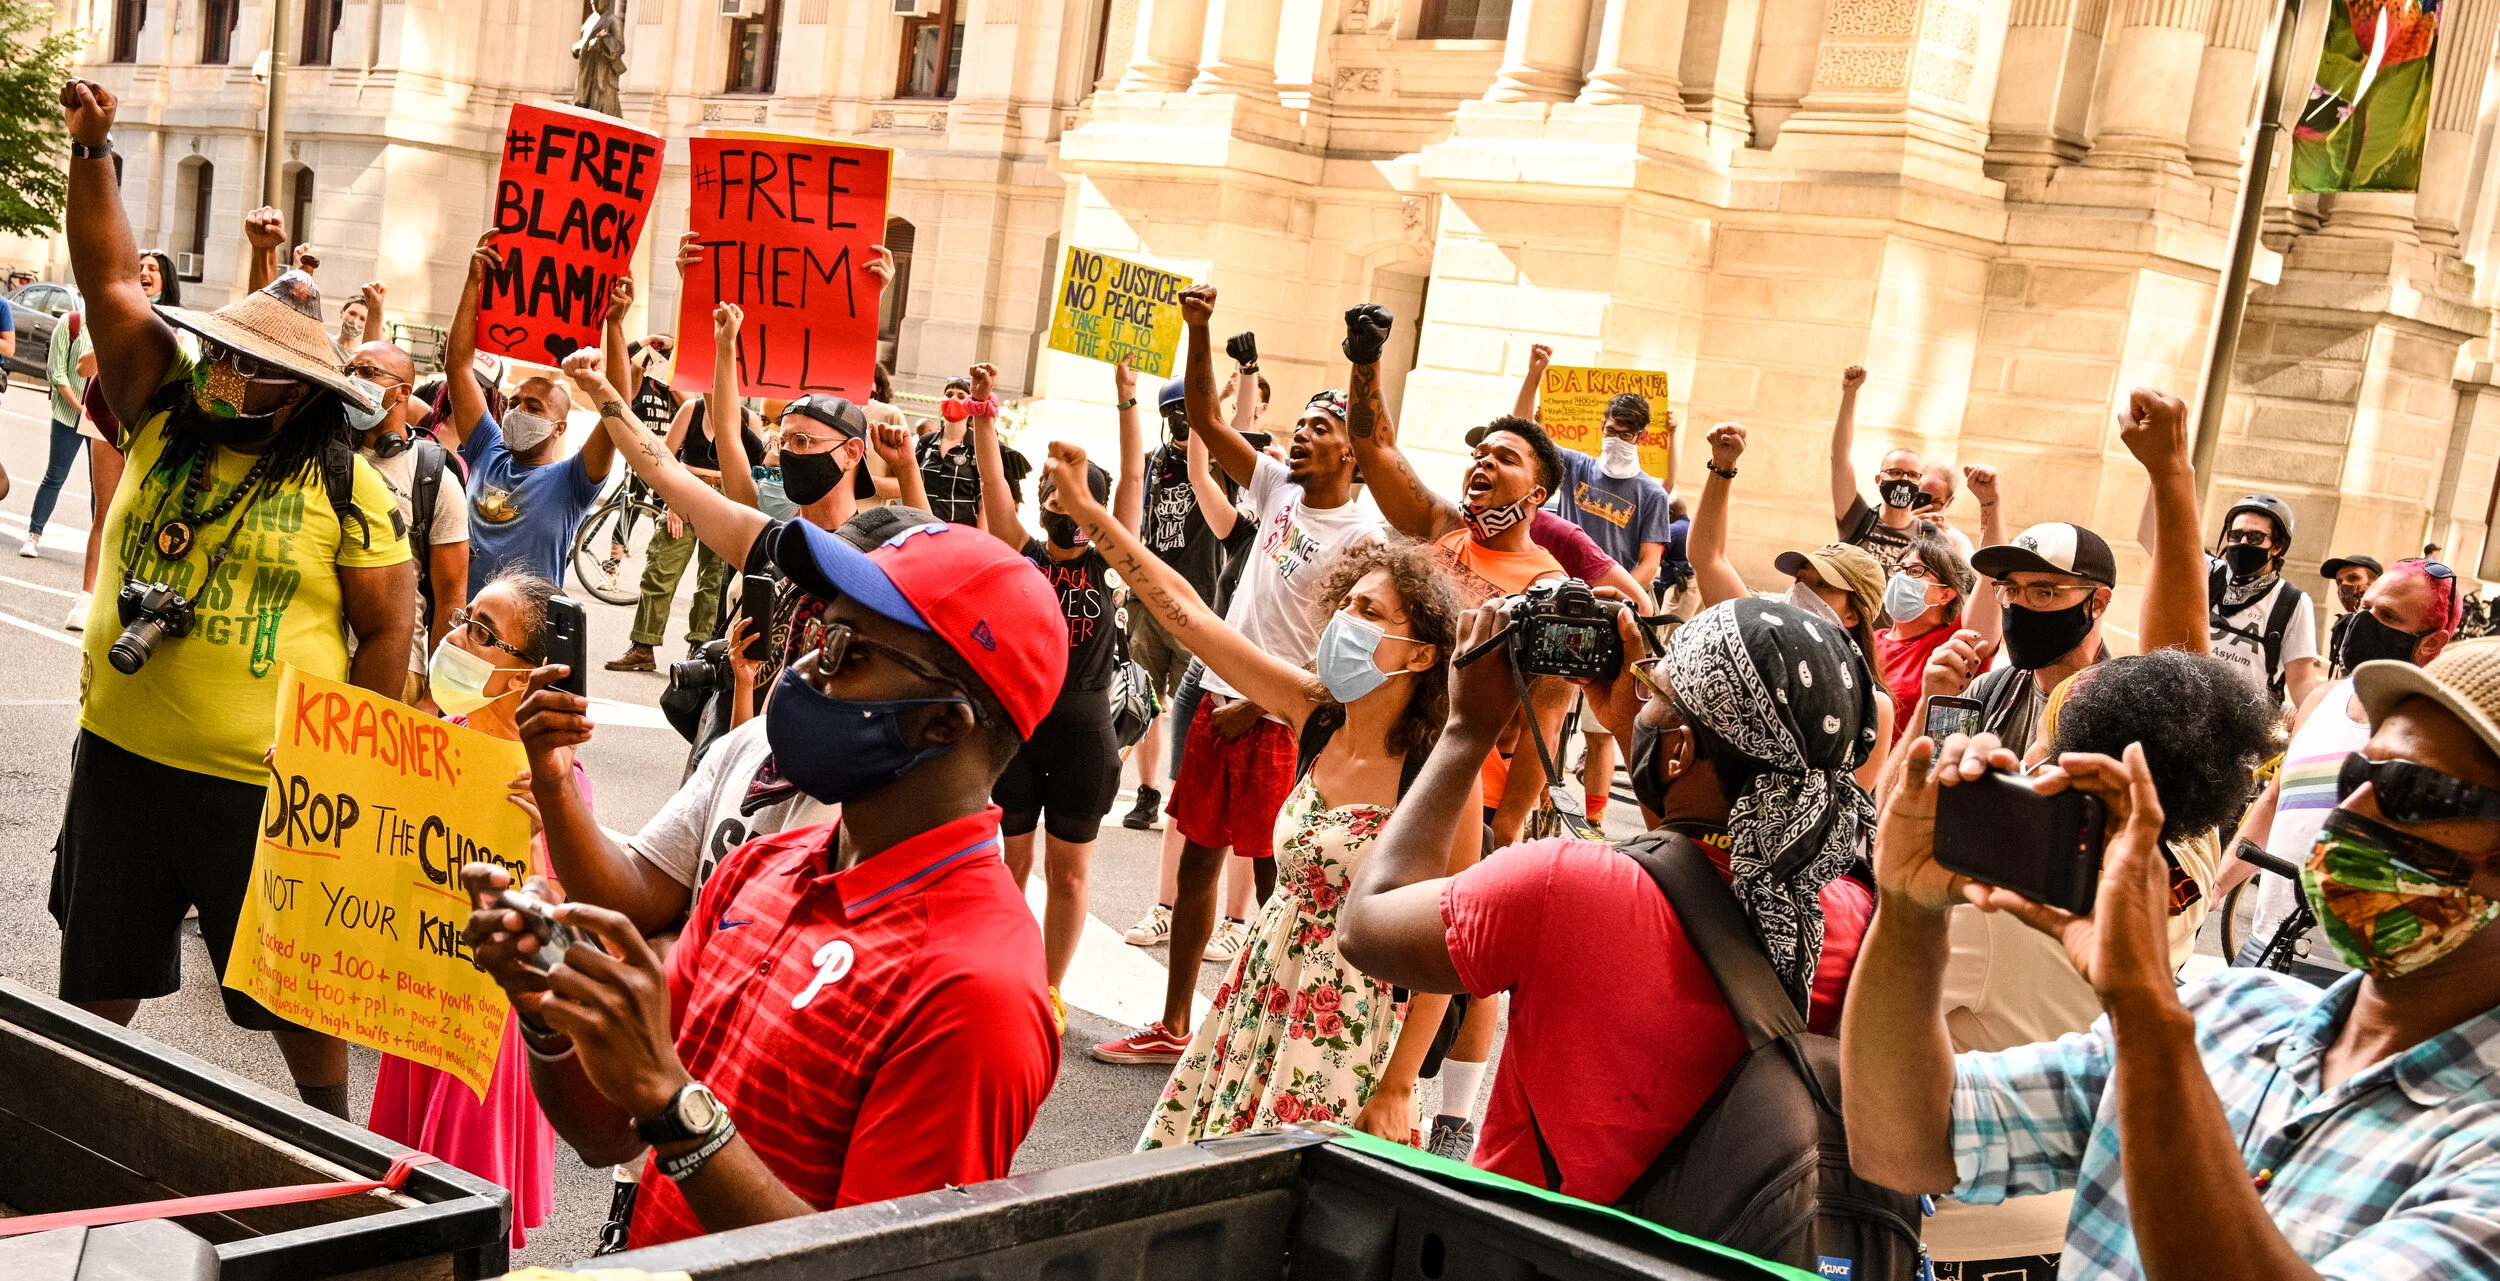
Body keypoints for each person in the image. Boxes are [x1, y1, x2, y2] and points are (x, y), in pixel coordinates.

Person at [461, 514, 1065, 1249]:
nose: (805, 671)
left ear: (945, 722)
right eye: (817, 635)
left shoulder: (976, 989)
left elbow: (871, 1270)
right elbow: (607, 1131)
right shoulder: (761, 864)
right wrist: (547, 1008)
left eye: (846, 650)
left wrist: (672, 1101)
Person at [1843, 637, 2500, 1280]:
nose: (2351, 810)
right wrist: (1909, 911)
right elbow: (1906, 1141)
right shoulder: (2232, 1015)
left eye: (2414, 790)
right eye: (2360, 774)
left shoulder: (2481, 1153)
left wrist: (2145, 1014)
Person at [50, 76, 415, 1118]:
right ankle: (55, 1140)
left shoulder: (349, 484)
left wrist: (348, 766)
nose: (220, 369)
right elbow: (111, 282)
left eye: (249, 366)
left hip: (266, 792)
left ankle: (332, 1157)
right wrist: (94, 153)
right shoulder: (160, 406)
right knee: (95, 984)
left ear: (297, 391)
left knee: (292, 995)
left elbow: (389, 626)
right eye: (222, 348)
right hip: (122, 766)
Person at [1340, 595, 1879, 1201]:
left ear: (1679, 750)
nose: (1643, 702)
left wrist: (1466, 729)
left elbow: (1365, 928)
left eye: (1657, 691)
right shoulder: (1858, 916)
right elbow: (1698, 866)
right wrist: (1634, 723)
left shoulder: (1560, 890)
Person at [1042, 435, 1467, 1147]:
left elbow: (1451, 946)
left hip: (1348, 1030)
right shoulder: (1316, 713)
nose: (1345, 624)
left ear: (1421, 653)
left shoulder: (1437, 771)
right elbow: (1188, 613)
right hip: (1260, 993)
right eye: (1348, 604)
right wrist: (1093, 515)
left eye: (1371, 614)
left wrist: (1396, 1087)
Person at [1094, 285, 1386, 1069]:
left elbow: (1346, 646)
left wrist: (1261, 705)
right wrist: (1200, 330)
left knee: (1283, 880)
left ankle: (1272, 1038)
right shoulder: (1276, 486)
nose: (1300, 438)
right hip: (1219, 702)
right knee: (1195, 863)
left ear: (1352, 452)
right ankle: (1173, 1023)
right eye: (1300, 426)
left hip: (1283, 722)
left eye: (1320, 430)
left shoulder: (1366, 532)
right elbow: (1208, 419)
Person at [1921, 649, 2278, 1278]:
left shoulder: (1996, 899)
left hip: (1972, 1224)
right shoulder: (2192, 854)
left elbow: (1883, 1035)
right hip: (2089, 1212)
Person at [370, 569, 563, 1248]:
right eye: (463, 618)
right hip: (425, 991)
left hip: (486, 1021)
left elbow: (572, 918)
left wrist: (550, 834)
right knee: (396, 1204)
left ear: (524, 676)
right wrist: (314, 775)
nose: (458, 637)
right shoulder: (436, 740)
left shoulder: (549, 775)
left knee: (458, 1209)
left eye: (484, 633)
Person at [970, 358, 1144, 1028]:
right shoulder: (1024, 551)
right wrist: (986, 409)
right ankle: (1004, 972)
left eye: (1061, 487)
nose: (1049, 496)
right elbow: (993, 479)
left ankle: (1048, 988)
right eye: (1044, 487)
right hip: (1018, 728)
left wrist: (1126, 398)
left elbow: (1131, 479)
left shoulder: (1110, 558)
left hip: (1084, 737)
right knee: (1010, 864)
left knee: (1068, 875)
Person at [1917, 388, 2211, 765]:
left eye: (2044, 592)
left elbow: (2181, 676)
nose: (2020, 605)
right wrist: (1930, 705)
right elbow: (1917, 801)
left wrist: (2171, 472)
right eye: (2010, 589)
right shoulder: (1981, 693)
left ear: (2098, 602)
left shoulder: (2122, 708)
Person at [2225, 558, 2463, 986]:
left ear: (2432, 642)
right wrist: (2214, 888)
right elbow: (2276, 800)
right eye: (2365, 609)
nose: (2364, 623)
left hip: (2348, 971)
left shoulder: (2441, 731)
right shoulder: (2320, 700)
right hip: (2263, 944)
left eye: (2388, 616)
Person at [1689, 419, 1897, 786]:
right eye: (1801, 578)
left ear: (1854, 613)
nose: (1801, 590)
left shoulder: (1872, 706)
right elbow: (1708, 557)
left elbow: (1851, 806)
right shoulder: (1759, 634)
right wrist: (1722, 466)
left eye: (1822, 585)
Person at [436, 229, 618, 592]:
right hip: (460, 624)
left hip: (525, 638)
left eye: (533, 407)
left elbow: (617, 416)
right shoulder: (488, 447)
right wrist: (473, 282)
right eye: (514, 401)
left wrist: (614, 325)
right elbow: (457, 365)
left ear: (559, 428)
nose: (517, 411)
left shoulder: (573, 482)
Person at [1122, 365, 1262, 833]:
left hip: (1198, 600)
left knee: (1193, 702)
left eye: (1188, 412)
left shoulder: (1217, 466)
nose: (1181, 420)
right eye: (1172, 414)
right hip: (1148, 598)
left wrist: (1241, 380)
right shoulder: (1152, 462)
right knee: (1144, 696)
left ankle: (1186, 786)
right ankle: (1146, 790)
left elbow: (1239, 430)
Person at [607, 329, 766, 674]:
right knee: (660, 569)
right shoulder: (691, 410)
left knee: (714, 579)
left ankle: (700, 647)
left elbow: (754, 470)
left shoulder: (748, 420)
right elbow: (663, 457)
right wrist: (674, 502)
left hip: (726, 497)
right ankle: (643, 645)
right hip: (687, 491)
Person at [342, 338, 470, 703]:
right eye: (349, 371)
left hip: (398, 671)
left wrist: (434, 698)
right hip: (315, 657)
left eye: (367, 372)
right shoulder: (323, 456)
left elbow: (452, 600)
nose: (353, 379)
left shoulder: (432, 478)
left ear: (403, 393)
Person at [1828, 364, 1964, 572]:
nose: (1903, 480)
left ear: (1919, 484)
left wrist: (1948, 545)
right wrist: (1850, 393)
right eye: (1895, 472)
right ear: (1878, 479)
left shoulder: (1931, 536)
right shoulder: (1857, 517)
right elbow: (1839, 458)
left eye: (1911, 475)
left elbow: (1956, 586)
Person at [2209, 493, 2323, 709]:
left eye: (2254, 538)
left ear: (2277, 547)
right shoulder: (2206, 572)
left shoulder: (2293, 602)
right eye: (2235, 535)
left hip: (2245, 725)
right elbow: (2155, 538)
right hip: (2186, 714)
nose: (2242, 543)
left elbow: (2302, 682)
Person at [1876, 534, 1975, 745]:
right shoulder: (1868, 640)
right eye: (1900, 569)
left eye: (1915, 571)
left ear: (1946, 595)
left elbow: (1990, 580)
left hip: (1910, 770)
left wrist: (1990, 507)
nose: (1901, 578)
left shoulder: (1954, 644)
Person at [23, 306, 95, 559]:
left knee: (100, 487)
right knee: (55, 477)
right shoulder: (72, 323)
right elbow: (57, 372)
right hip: (69, 415)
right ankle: (33, 535)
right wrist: (81, 408)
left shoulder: (113, 326)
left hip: (100, 421)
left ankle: (98, 552)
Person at [916, 375, 984, 526]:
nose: (953, 399)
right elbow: (910, 483)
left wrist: (980, 541)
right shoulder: (926, 442)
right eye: (949, 394)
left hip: (960, 532)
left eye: (961, 396)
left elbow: (984, 502)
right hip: (922, 526)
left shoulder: (978, 447)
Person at [2322, 554, 2385, 676]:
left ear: (2376, 583)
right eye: (2339, 581)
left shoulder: (2391, 628)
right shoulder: (2343, 624)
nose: (2343, 585)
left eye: (2353, 578)